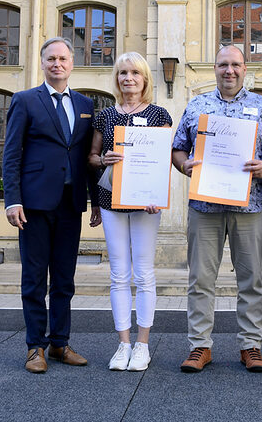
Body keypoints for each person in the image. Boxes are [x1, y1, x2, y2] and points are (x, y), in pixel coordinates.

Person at [171, 45, 262, 373]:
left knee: (252, 279)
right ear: (214, 69)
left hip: (251, 205)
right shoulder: (196, 105)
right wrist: (185, 165)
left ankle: (251, 346)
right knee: (201, 278)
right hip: (205, 206)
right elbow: (178, 149)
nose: (229, 71)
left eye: (235, 65)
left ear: (245, 69)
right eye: (222, 65)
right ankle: (200, 346)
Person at [3, 37, 101, 374]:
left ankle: (60, 342)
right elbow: (11, 154)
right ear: (42, 63)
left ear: (72, 63)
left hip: (70, 204)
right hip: (33, 205)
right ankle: (35, 347)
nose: (57, 64)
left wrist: (96, 201)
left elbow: (87, 158)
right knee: (33, 277)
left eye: (63, 58)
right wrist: (12, 199)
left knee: (64, 278)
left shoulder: (86, 104)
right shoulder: (25, 101)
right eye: (51, 59)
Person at [88, 52, 172, 372]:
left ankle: (142, 344)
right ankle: (123, 343)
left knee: (144, 273)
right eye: (123, 73)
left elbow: (161, 160)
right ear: (117, 78)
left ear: (145, 78)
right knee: (119, 275)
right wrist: (103, 160)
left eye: (135, 73)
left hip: (146, 205)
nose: (128, 79)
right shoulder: (105, 116)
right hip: (111, 201)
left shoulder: (159, 114)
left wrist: (157, 194)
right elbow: (91, 158)